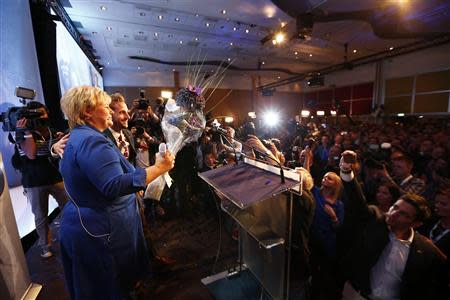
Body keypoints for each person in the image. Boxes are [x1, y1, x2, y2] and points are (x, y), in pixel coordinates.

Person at [58, 86, 174, 300]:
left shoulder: (80, 136)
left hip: (89, 225)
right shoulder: (92, 140)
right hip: (103, 231)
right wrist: (159, 168)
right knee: (111, 287)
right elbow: (113, 185)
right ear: (86, 113)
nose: (110, 112)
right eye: (105, 107)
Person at [340, 150, 447, 300]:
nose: (394, 214)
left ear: (416, 223)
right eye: (395, 207)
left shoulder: (424, 249)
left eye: (404, 214)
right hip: (357, 295)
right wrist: (346, 170)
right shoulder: (376, 221)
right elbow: (357, 201)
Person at [14, 101, 68, 258]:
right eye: (35, 114)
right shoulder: (21, 134)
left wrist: (59, 140)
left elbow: (56, 153)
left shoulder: (50, 131)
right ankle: (45, 246)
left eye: (42, 113)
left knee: (69, 208)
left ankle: (69, 237)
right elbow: (31, 154)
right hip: (34, 181)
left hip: (55, 176)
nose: (40, 117)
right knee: (41, 216)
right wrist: (27, 131)